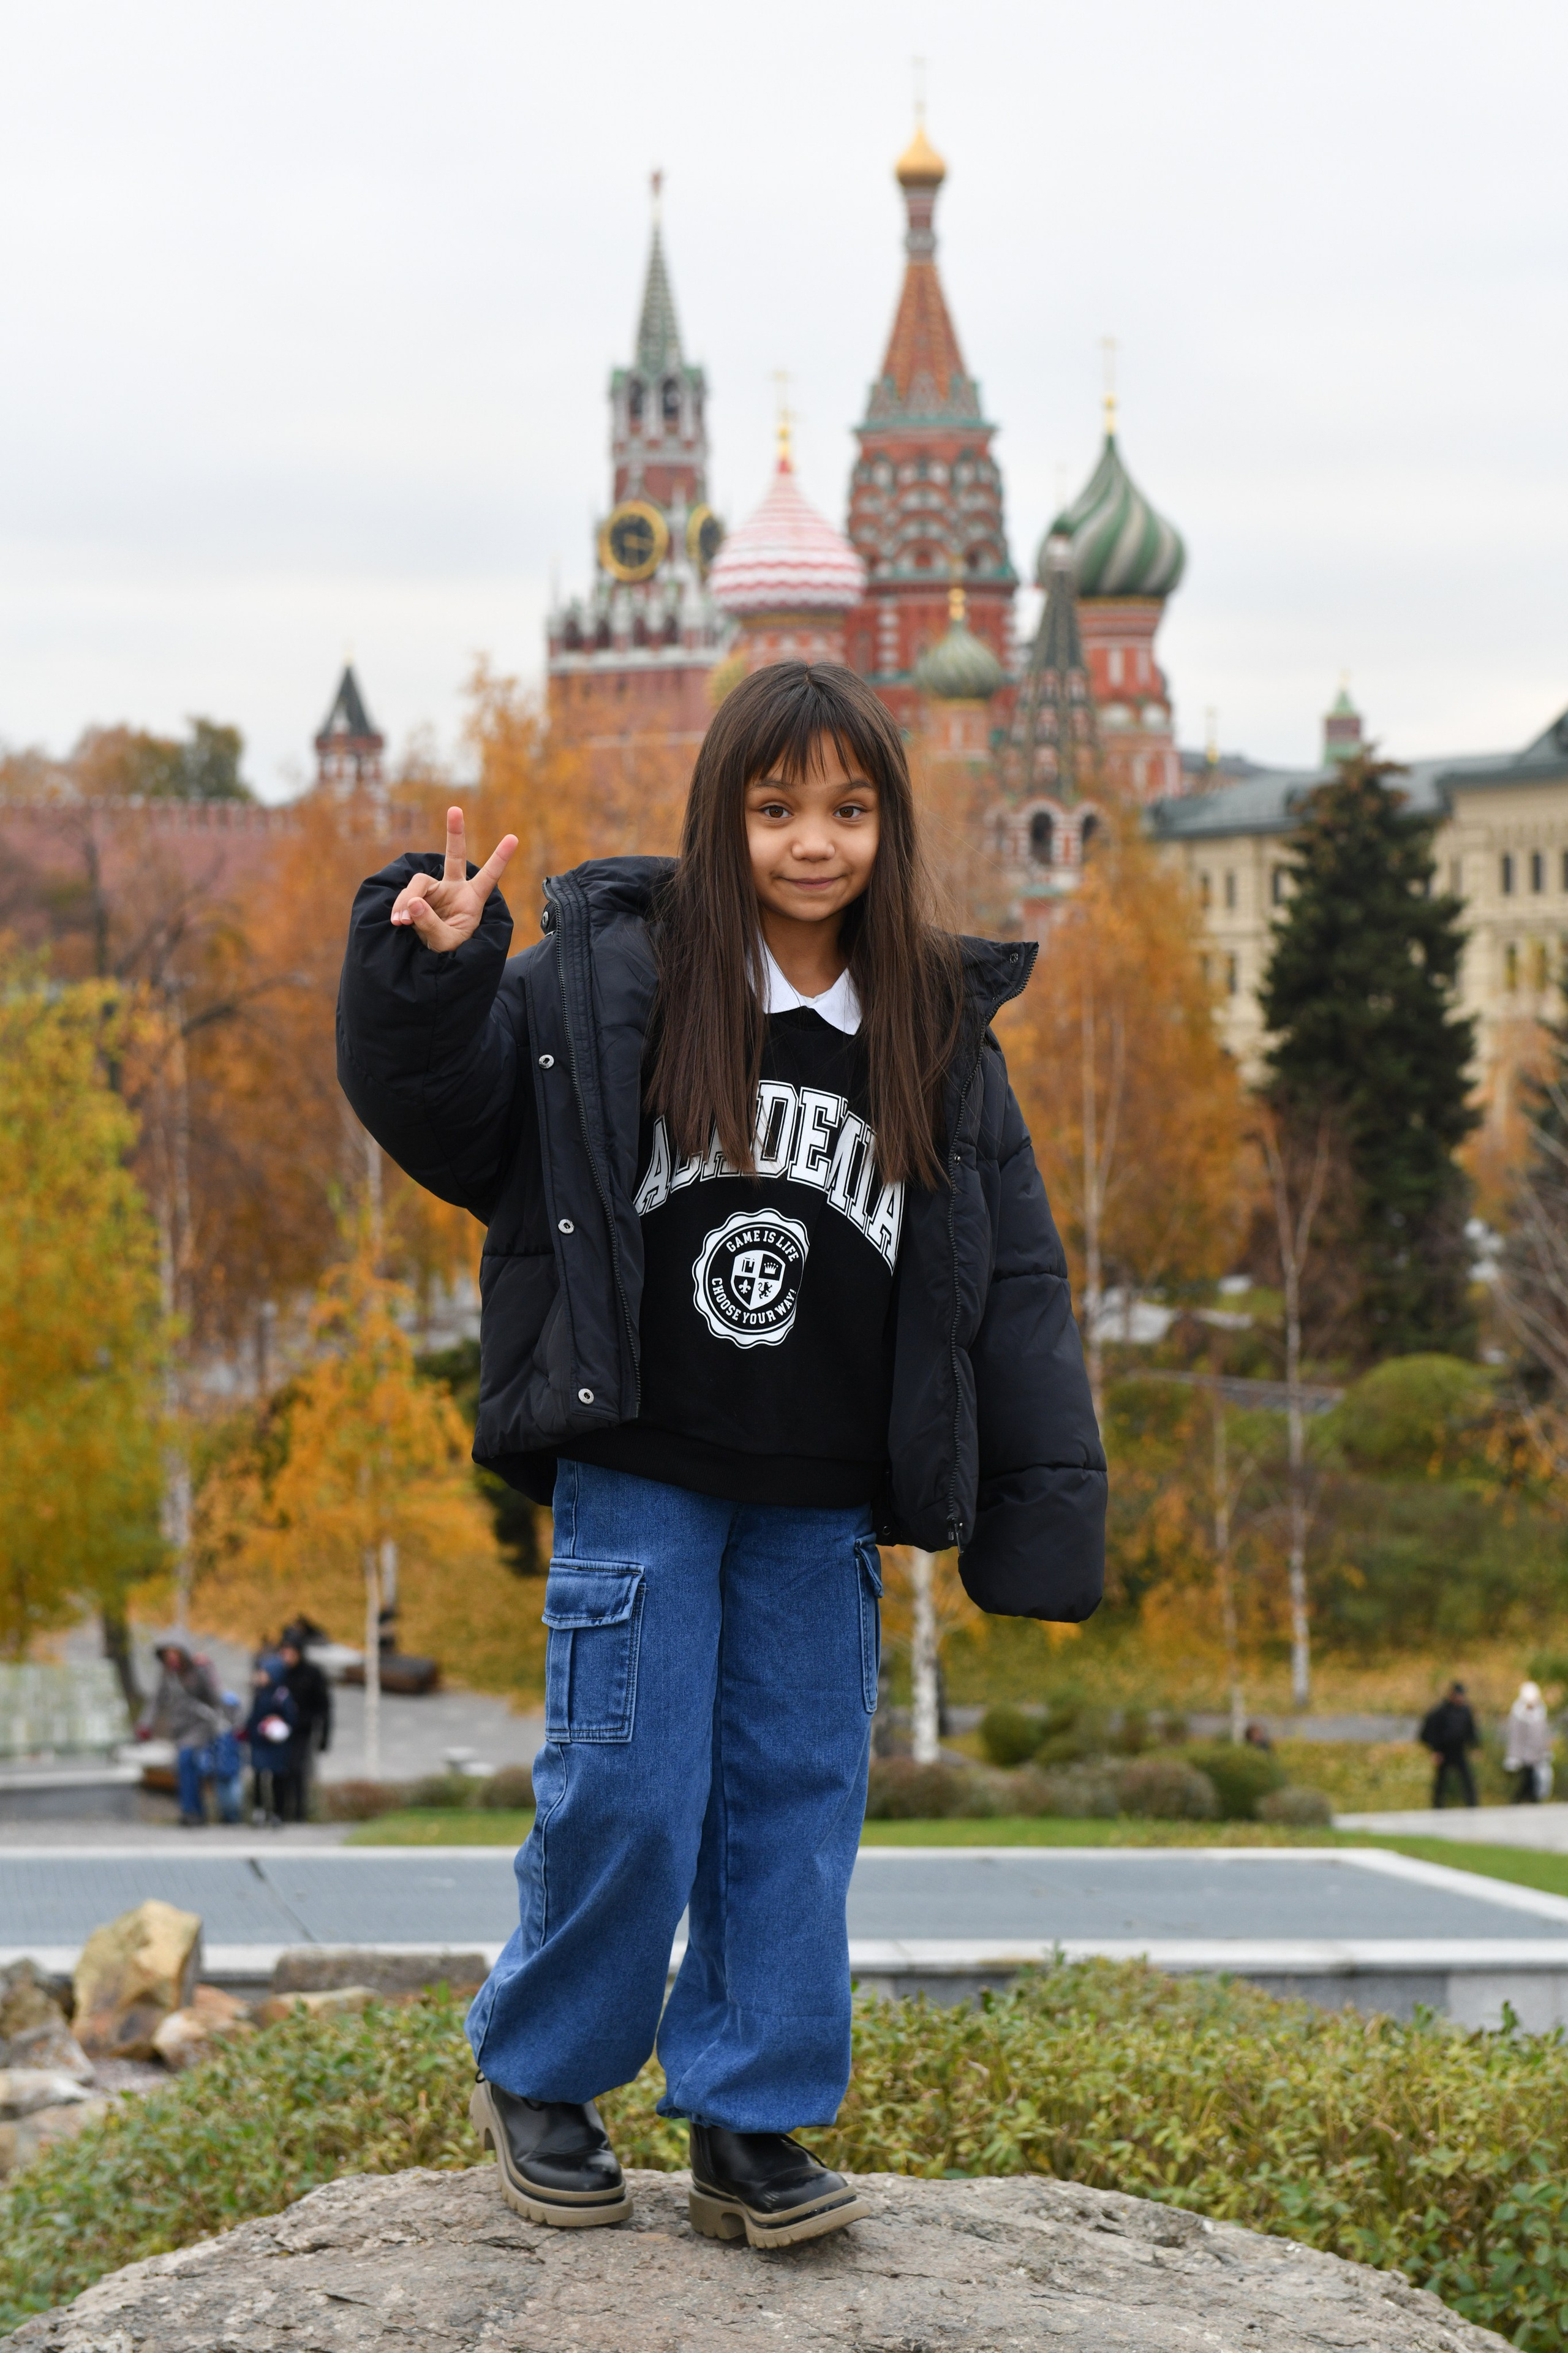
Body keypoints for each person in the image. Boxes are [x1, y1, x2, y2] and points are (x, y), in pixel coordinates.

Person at [337, 661, 1105, 2248]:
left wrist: (1041, 1512)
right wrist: (435, 979)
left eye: (847, 807)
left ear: (888, 824)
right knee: (625, 1784)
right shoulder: (615, 990)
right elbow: (454, 1122)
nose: (812, 841)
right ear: (722, 817)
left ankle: (751, 2116)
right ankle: (542, 2071)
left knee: (794, 1803)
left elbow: (1013, 1285)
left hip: (822, 1499)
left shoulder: (936, 1032)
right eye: (774, 809)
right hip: (646, 1467)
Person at [136, 1644, 225, 1827]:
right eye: (168, 1655)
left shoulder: (197, 1672)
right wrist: (145, 1725)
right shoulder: (167, 1676)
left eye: (174, 1654)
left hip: (199, 1727)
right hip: (180, 1730)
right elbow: (155, 1701)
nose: (171, 1658)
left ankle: (190, 1811)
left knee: (187, 1761)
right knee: (187, 1769)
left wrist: (208, 1669)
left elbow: (214, 1696)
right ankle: (195, 1811)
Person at [278, 1634, 333, 1821]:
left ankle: (299, 1811)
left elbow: (324, 1707)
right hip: (280, 1731)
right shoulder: (280, 1673)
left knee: (298, 1769)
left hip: (304, 1729)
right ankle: (283, 1811)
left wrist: (324, 1735)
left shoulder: (312, 1674)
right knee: (282, 1770)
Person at [243, 1660, 298, 1827]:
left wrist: (277, 1723)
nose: (260, 1677)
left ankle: (278, 1813)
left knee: (278, 1779)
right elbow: (253, 1718)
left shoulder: (281, 1695)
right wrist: (248, 1732)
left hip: (277, 1745)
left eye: (264, 1673)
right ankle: (259, 1811)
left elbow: (290, 1718)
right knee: (259, 1776)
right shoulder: (260, 1693)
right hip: (260, 1743)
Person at [1419, 1680, 1480, 1808]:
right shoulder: (1440, 1712)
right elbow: (1431, 1732)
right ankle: (1437, 1806)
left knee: (1467, 1778)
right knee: (1441, 1781)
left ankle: (1473, 1805)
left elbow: (1471, 1730)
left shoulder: (1465, 1711)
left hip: (1459, 1750)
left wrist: (1475, 1746)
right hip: (1444, 1751)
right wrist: (1435, 1750)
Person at [1504, 1680, 1554, 1803]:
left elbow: (1543, 1734)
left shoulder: (1541, 1712)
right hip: (1524, 1754)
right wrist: (1513, 1756)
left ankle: (1525, 1800)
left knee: (1533, 1779)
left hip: (1537, 1753)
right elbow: (1515, 1737)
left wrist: (1546, 1750)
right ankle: (1524, 1801)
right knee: (1528, 1777)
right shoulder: (1518, 1714)